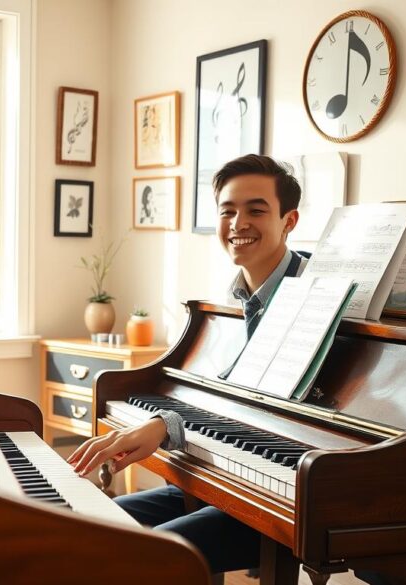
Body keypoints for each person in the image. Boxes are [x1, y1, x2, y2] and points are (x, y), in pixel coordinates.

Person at [67, 154, 305, 576]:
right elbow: (213, 396)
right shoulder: (225, 303)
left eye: (256, 210)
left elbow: (284, 417)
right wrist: (164, 423)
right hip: (227, 481)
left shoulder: (318, 296)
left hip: (278, 490)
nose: (238, 223)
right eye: (227, 211)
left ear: (290, 220)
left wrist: (166, 426)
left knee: (142, 556)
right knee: (87, 528)